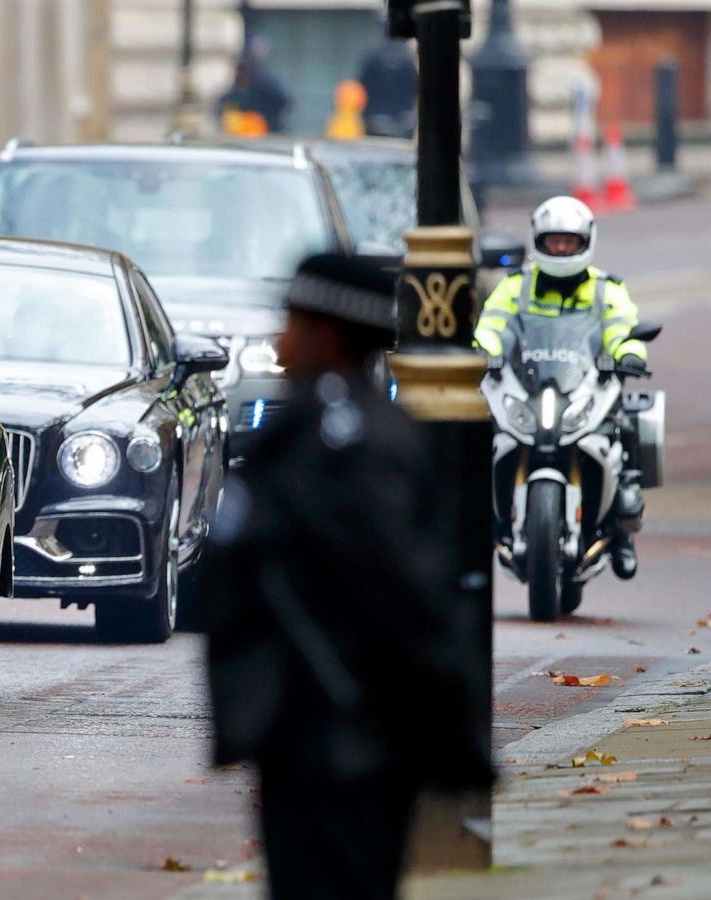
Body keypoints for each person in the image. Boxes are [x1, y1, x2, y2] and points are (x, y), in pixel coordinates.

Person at [202, 254, 492, 900]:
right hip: (325, 736)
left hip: (342, 741)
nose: (280, 341)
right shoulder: (370, 431)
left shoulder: (336, 444)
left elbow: (403, 590)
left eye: (293, 323)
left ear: (329, 334)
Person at [473, 196, 649, 576]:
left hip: (584, 384)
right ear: (539, 240)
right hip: (528, 386)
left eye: (569, 242)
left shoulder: (607, 289)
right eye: (554, 241)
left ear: (585, 242)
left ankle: (622, 530)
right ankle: (481, 520)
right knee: (478, 433)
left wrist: (628, 353)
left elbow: (623, 328)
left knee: (625, 427)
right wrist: (482, 352)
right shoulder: (514, 287)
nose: (561, 248)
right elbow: (492, 327)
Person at [357, 24, 418, 138]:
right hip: (405, 120)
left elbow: (361, 87)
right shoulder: (411, 58)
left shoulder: (373, 56)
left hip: (376, 119)